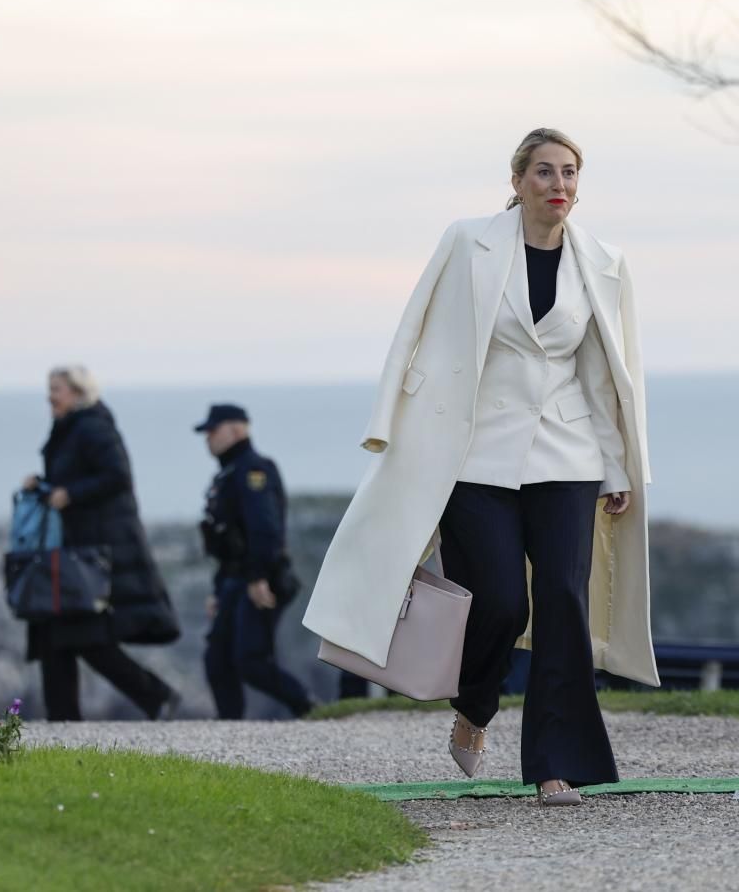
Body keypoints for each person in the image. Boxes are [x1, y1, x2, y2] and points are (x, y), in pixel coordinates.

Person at [303, 127, 656, 807]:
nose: (559, 185)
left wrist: (614, 466)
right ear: (518, 180)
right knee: (498, 600)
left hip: (567, 453)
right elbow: (413, 328)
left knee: (563, 599)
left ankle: (557, 764)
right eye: (545, 172)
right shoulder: (468, 242)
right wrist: (387, 422)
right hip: (475, 454)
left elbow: (601, 373)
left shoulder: (603, 262)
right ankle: (474, 704)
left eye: (570, 173)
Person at [23, 365, 181, 720]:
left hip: (93, 551)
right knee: (55, 634)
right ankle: (64, 722)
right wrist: (44, 486)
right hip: (72, 549)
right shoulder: (70, 428)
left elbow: (117, 476)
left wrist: (70, 494)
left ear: (78, 393)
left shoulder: (93, 427)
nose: (50, 396)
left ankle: (155, 697)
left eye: (57, 389)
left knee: (82, 635)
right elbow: (78, 477)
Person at [195, 403, 313, 719]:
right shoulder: (230, 473)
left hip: (260, 579)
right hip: (235, 579)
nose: (208, 438)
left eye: (213, 430)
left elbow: (264, 529)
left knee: (251, 661)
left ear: (237, 430)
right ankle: (230, 729)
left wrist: (259, 577)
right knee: (218, 660)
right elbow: (227, 545)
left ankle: (309, 709)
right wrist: (218, 590)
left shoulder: (253, 471)